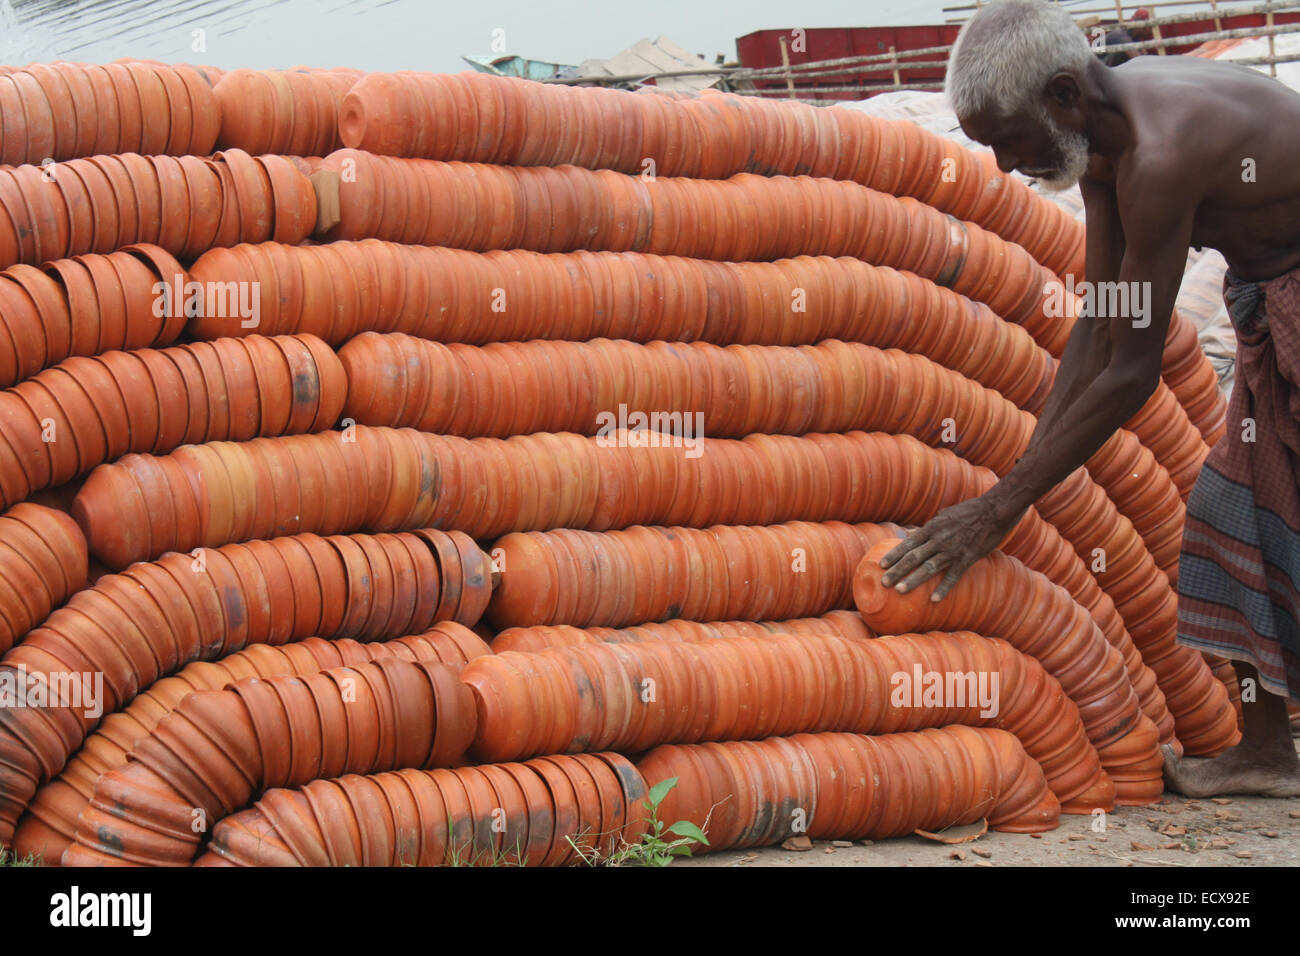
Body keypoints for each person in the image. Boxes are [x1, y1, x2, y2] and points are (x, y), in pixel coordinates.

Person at [879, 0, 1300, 796]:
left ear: (1066, 96)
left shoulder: (1165, 154)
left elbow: (1134, 369)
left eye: (1009, 139)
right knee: (1231, 515)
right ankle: (1269, 751)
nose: (1004, 166)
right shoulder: (1109, 140)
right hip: (1271, 303)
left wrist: (1003, 507)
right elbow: (1101, 321)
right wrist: (1024, 465)